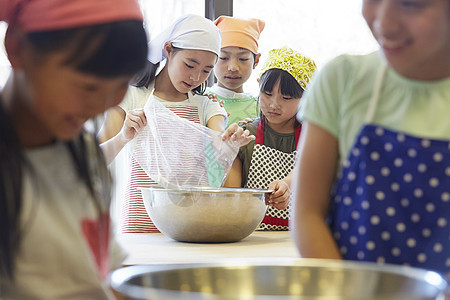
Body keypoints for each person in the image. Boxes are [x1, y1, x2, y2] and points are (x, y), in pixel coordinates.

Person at [0, 0, 148, 298]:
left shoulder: (84, 153)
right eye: (88, 87)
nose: (101, 106)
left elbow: (103, 274)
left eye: (120, 85)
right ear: (17, 49)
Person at [292, 0, 450, 278]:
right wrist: (350, 291)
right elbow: (307, 214)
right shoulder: (342, 80)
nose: (384, 22)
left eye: (411, 3)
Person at [99, 14, 254, 233]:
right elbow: (93, 160)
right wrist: (123, 137)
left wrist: (227, 143)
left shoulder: (206, 106)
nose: (195, 77)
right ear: (169, 50)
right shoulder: (130, 97)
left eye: (206, 71)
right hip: (139, 225)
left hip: (188, 226)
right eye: (190, 65)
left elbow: (218, 137)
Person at [225, 47, 317, 231]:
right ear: (258, 86)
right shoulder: (245, 135)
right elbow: (230, 199)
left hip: (298, 239)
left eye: (286, 97)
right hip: (251, 238)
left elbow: (310, 170)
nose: (274, 104)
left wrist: (286, 185)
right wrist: (226, 151)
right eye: (267, 94)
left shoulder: (314, 136)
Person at [205, 16, 265, 127]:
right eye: (223, 57)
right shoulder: (201, 99)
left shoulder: (262, 108)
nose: (233, 67)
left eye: (243, 59)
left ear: (256, 60)